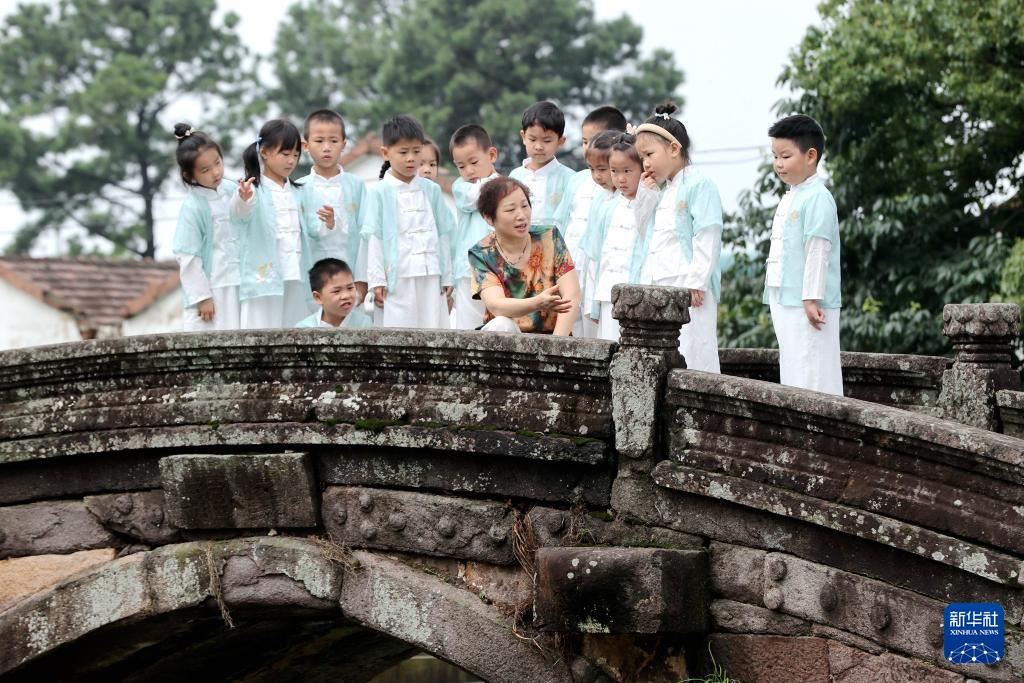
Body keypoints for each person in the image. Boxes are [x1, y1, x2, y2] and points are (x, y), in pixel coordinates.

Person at [635, 103, 724, 372]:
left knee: (694, 352)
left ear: (674, 149)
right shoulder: (663, 191)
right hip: (660, 285)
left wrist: (697, 283)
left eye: (649, 154)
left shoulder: (700, 185)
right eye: (641, 157)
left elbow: (707, 234)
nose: (645, 163)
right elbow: (643, 231)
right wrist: (646, 193)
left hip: (689, 288)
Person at [763, 114, 843, 395]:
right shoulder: (793, 195)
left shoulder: (818, 197)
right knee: (794, 365)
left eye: (785, 156)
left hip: (808, 301)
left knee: (813, 368)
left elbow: (818, 249)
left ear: (811, 156)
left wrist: (811, 297)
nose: (778, 164)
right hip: (784, 295)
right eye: (775, 156)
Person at [232, 118, 334, 329]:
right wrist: (244, 199)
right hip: (263, 280)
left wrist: (328, 222)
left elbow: (314, 230)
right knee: (260, 332)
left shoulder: (300, 191)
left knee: (296, 331)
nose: (291, 161)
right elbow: (239, 215)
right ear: (264, 152)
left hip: (296, 275)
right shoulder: (252, 190)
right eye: (285, 154)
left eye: (295, 155)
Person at [363, 115, 455, 328]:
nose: (411, 158)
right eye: (403, 152)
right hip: (398, 278)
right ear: (386, 153)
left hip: (432, 274)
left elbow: (443, 234)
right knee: (399, 329)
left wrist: (447, 276)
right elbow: (374, 238)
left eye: (416, 151)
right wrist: (377, 280)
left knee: (433, 327)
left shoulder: (432, 190)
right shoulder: (379, 192)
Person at [468, 177, 580, 335]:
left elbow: (571, 294)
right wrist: (537, 303)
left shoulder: (549, 236)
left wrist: (556, 344)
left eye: (525, 206)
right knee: (501, 324)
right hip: (506, 337)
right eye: (510, 210)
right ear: (488, 218)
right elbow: (496, 305)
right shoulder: (482, 253)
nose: (521, 215)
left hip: (553, 337)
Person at [554, 106, 627, 337]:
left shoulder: (624, 193)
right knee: (575, 331)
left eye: (595, 140)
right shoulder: (577, 181)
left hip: (603, 276)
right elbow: (561, 224)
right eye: (585, 141)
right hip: (572, 270)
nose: (589, 147)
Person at [581, 132, 659, 341]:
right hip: (607, 293)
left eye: (627, 171)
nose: (621, 178)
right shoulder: (608, 206)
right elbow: (595, 258)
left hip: (638, 293)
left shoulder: (653, 201)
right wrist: (592, 304)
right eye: (614, 171)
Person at [171, 123, 240, 331]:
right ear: (189, 175)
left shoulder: (233, 190)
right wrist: (202, 297)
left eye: (217, 163)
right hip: (214, 287)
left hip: (239, 283)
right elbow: (188, 255)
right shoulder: (192, 207)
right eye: (205, 170)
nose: (216, 172)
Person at [296, 109, 369, 305]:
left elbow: (365, 234)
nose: (327, 148)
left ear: (344, 145)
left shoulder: (356, 186)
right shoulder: (299, 188)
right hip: (311, 280)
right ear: (306, 145)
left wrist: (362, 280)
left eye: (334, 141)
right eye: (319, 141)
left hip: (350, 276)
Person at [449, 124, 501, 330]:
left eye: (473, 162)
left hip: (499, 268)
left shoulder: (507, 185)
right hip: (468, 269)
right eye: (461, 166)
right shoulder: (461, 187)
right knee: (468, 327)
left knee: (499, 324)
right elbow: (481, 195)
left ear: (492, 155)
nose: (468, 171)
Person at [509, 101, 576, 229]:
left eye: (547, 140)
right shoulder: (515, 177)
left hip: (556, 241)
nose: (539, 146)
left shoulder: (570, 178)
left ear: (561, 141)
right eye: (532, 139)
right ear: (523, 137)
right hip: (520, 240)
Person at [295, 258, 372, 328]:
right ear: (318, 297)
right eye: (336, 291)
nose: (346, 296)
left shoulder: (364, 324)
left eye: (350, 288)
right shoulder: (305, 328)